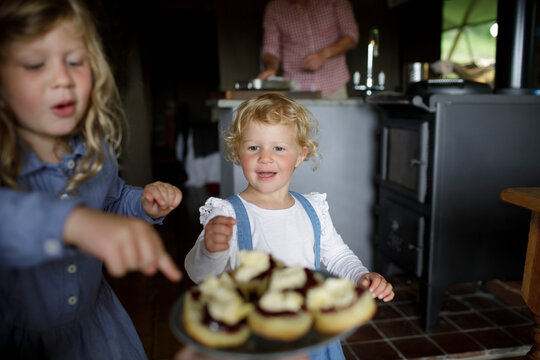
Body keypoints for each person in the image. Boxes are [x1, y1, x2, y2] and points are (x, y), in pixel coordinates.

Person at [0, 0, 183, 358]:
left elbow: (110, 201)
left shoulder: (95, 149)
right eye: (36, 65)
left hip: (94, 328)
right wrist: (72, 223)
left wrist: (142, 202)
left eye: (74, 61)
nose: (63, 79)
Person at [184, 93, 394, 360]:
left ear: (300, 155)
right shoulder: (227, 213)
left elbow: (338, 256)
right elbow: (198, 274)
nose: (265, 158)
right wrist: (211, 250)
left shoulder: (313, 209)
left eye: (279, 148)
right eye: (253, 147)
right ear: (237, 153)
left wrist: (361, 276)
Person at [257, 0, 359, 99]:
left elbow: (351, 36)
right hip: (295, 89)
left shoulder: (336, 1)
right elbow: (270, 49)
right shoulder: (275, 6)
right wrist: (270, 68)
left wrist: (324, 54)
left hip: (333, 84)